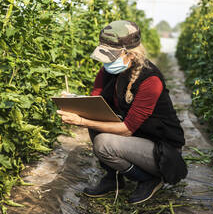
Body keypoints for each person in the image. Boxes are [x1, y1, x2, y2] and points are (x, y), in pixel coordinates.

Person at [57, 20, 187, 205]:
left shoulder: (150, 80)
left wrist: (81, 121)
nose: (106, 62)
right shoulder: (108, 71)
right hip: (135, 138)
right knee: (96, 116)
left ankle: (149, 178)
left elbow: (127, 129)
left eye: (111, 56)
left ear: (130, 54)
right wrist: (73, 101)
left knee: (103, 143)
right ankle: (113, 179)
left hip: (161, 150)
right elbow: (96, 103)